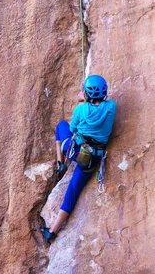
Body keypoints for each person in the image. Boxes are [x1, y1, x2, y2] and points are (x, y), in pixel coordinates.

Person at [40, 74, 117, 242]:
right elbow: (102, 106)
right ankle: (51, 231)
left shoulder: (80, 109)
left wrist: (82, 101)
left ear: (87, 94)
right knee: (73, 190)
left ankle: (61, 163)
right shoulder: (111, 107)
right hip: (91, 160)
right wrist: (88, 99)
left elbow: (73, 128)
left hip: (74, 151)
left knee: (61, 125)